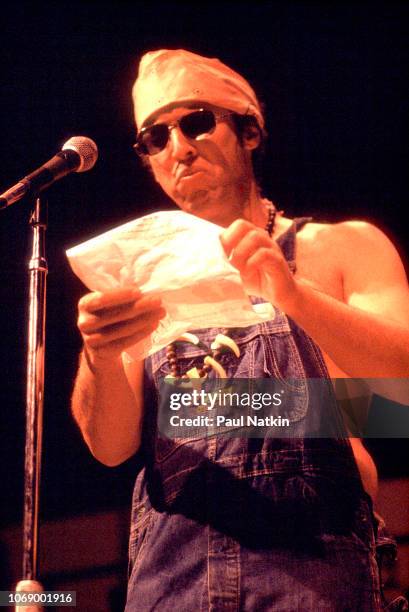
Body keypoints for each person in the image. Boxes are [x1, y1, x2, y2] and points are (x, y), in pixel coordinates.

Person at [71, 49, 409, 611]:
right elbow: (109, 449)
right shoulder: (139, 284)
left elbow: (398, 396)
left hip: (313, 559)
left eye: (196, 121)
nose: (177, 147)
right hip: (168, 568)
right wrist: (100, 356)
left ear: (249, 130)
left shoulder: (340, 246)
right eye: (154, 138)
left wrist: (294, 295)